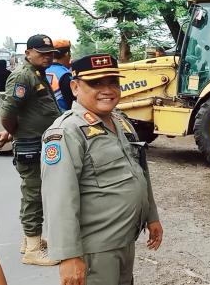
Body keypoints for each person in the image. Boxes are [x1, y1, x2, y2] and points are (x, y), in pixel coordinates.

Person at [41, 53, 163, 285]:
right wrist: (68, 255)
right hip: (95, 249)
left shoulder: (121, 122)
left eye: (113, 82)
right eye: (96, 83)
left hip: (124, 240)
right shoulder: (67, 132)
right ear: (75, 87)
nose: (107, 90)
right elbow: (59, 198)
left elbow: (140, 173)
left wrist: (151, 217)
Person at [0, 34, 60, 266]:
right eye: (42, 53)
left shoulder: (36, 74)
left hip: (39, 143)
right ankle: (33, 251)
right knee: (34, 195)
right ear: (28, 53)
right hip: (31, 145)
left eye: (50, 53)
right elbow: (7, 114)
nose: (47, 57)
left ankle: (29, 241)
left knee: (35, 193)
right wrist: (14, 132)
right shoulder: (23, 76)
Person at [45, 39, 74, 111]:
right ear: (67, 54)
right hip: (62, 117)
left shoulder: (41, 70)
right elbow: (72, 103)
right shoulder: (65, 74)